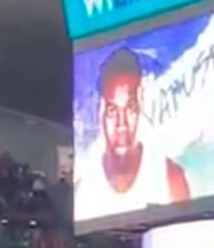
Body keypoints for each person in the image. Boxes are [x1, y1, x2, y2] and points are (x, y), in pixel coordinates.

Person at [77, 47, 191, 214]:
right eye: (112, 111)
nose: (121, 125)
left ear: (140, 102)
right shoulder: (82, 191)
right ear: (100, 110)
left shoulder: (170, 179)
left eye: (129, 108)